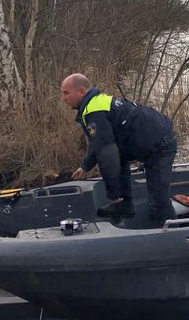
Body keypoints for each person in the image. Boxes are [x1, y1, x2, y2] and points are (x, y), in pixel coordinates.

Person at [60, 73, 177, 224]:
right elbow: (99, 142)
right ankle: (125, 206)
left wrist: (113, 195)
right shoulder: (94, 104)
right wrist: (85, 166)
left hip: (160, 144)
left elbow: (107, 155)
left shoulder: (94, 111)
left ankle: (168, 232)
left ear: (81, 91)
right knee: (116, 154)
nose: (63, 98)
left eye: (66, 93)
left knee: (158, 200)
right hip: (145, 139)